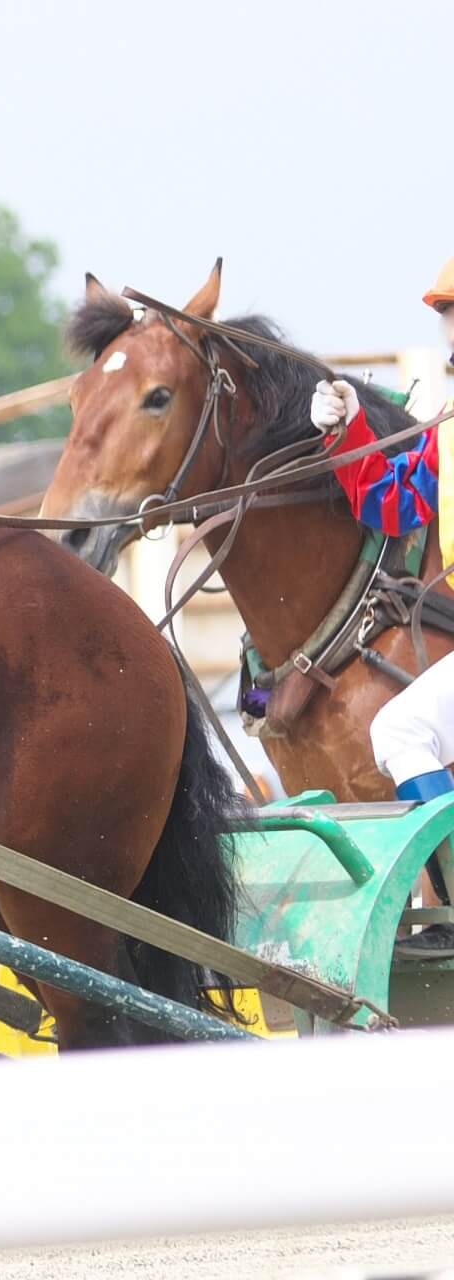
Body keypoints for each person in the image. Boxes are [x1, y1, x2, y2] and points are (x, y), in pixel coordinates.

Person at [311, 254, 454, 955]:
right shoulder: (445, 430)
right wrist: (349, 434)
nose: (453, 334)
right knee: (400, 732)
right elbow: (391, 504)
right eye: (449, 320)